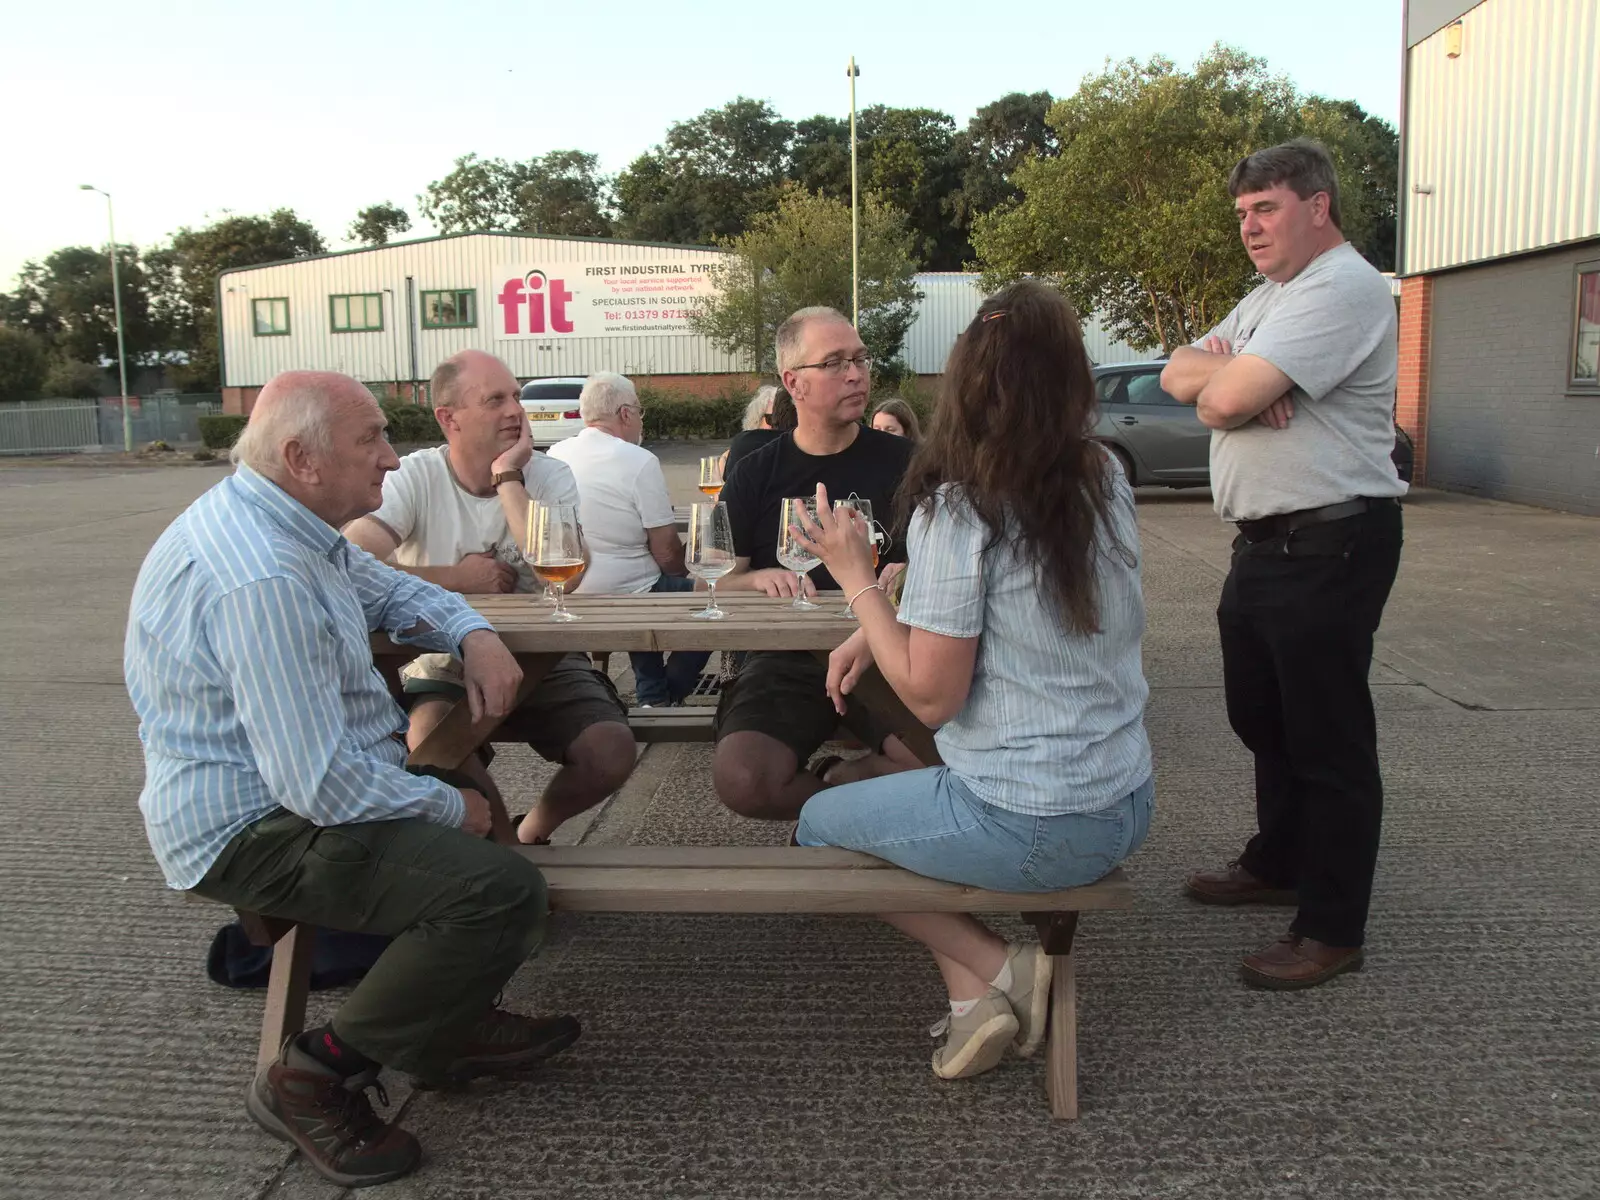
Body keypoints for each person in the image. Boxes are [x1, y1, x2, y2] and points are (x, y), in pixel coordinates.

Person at [124, 371, 580, 1188]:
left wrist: (470, 631)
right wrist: (450, 805)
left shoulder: (294, 527)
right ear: (301, 457)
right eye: (370, 437)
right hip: (253, 829)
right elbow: (319, 786)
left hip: (292, 797)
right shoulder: (260, 575)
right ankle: (314, 1074)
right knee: (497, 888)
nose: (392, 456)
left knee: (488, 856)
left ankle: (442, 1028)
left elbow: (394, 586)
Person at [789, 280, 1153, 1081]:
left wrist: (855, 578)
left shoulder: (960, 508)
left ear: (964, 381)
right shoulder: (1100, 476)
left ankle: (996, 967)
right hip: (1126, 802)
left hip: (1037, 821)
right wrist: (876, 621)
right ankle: (970, 1004)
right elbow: (1018, 604)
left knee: (818, 824)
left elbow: (928, 697)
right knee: (889, 798)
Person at [1159, 138, 1406, 990]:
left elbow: (1219, 395)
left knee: (1328, 739)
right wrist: (1227, 379)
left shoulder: (1343, 287)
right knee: (1262, 718)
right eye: (1242, 214)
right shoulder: (1271, 296)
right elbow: (1175, 374)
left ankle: (1332, 926)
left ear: (1318, 205)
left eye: (1266, 209)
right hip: (1266, 546)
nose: (1250, 228)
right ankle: (1280, 861)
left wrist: (1230, 385)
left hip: (1332, 541)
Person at [345, 350, 636, 846]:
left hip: (542, 657)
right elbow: (352, 560)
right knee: (430, 740)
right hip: (442, 659)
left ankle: (531, 832)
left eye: (517, 397)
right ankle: (504, 854)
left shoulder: (547, 474)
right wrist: (456, 578)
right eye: (495, 399)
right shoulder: (415, 476)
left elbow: (564, 578)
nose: (515, 411)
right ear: (448, 418)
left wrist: (508, 477)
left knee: (611, 751)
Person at [713, 307, 918, 821]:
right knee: (744, 780)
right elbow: (711, 585)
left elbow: (951, 567)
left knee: (933, 765)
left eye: (860, 359)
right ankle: (850, 816)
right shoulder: (756, 472)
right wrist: (757, 577)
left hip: (885, 649)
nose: (856, 374)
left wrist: (911, 572)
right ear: (793, 383)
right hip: (788, 655)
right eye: (834, 363)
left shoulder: (909, 463)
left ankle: (840, 782)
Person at [548, 371, 711, 706]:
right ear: (625, 413)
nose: (640, 420)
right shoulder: (639, 460)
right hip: (632, 589)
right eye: (639, 411)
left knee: (647, 587)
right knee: (712, 602)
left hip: (568, 589)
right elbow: (666, 552)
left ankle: (650, 692)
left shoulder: (555, 454)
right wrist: (688, 578)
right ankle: (660, 693)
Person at [722, 385, 796, 478]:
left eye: (786, 418)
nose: (777, 424)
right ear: (757, 419)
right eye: (771, 419)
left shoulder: (744, 444)